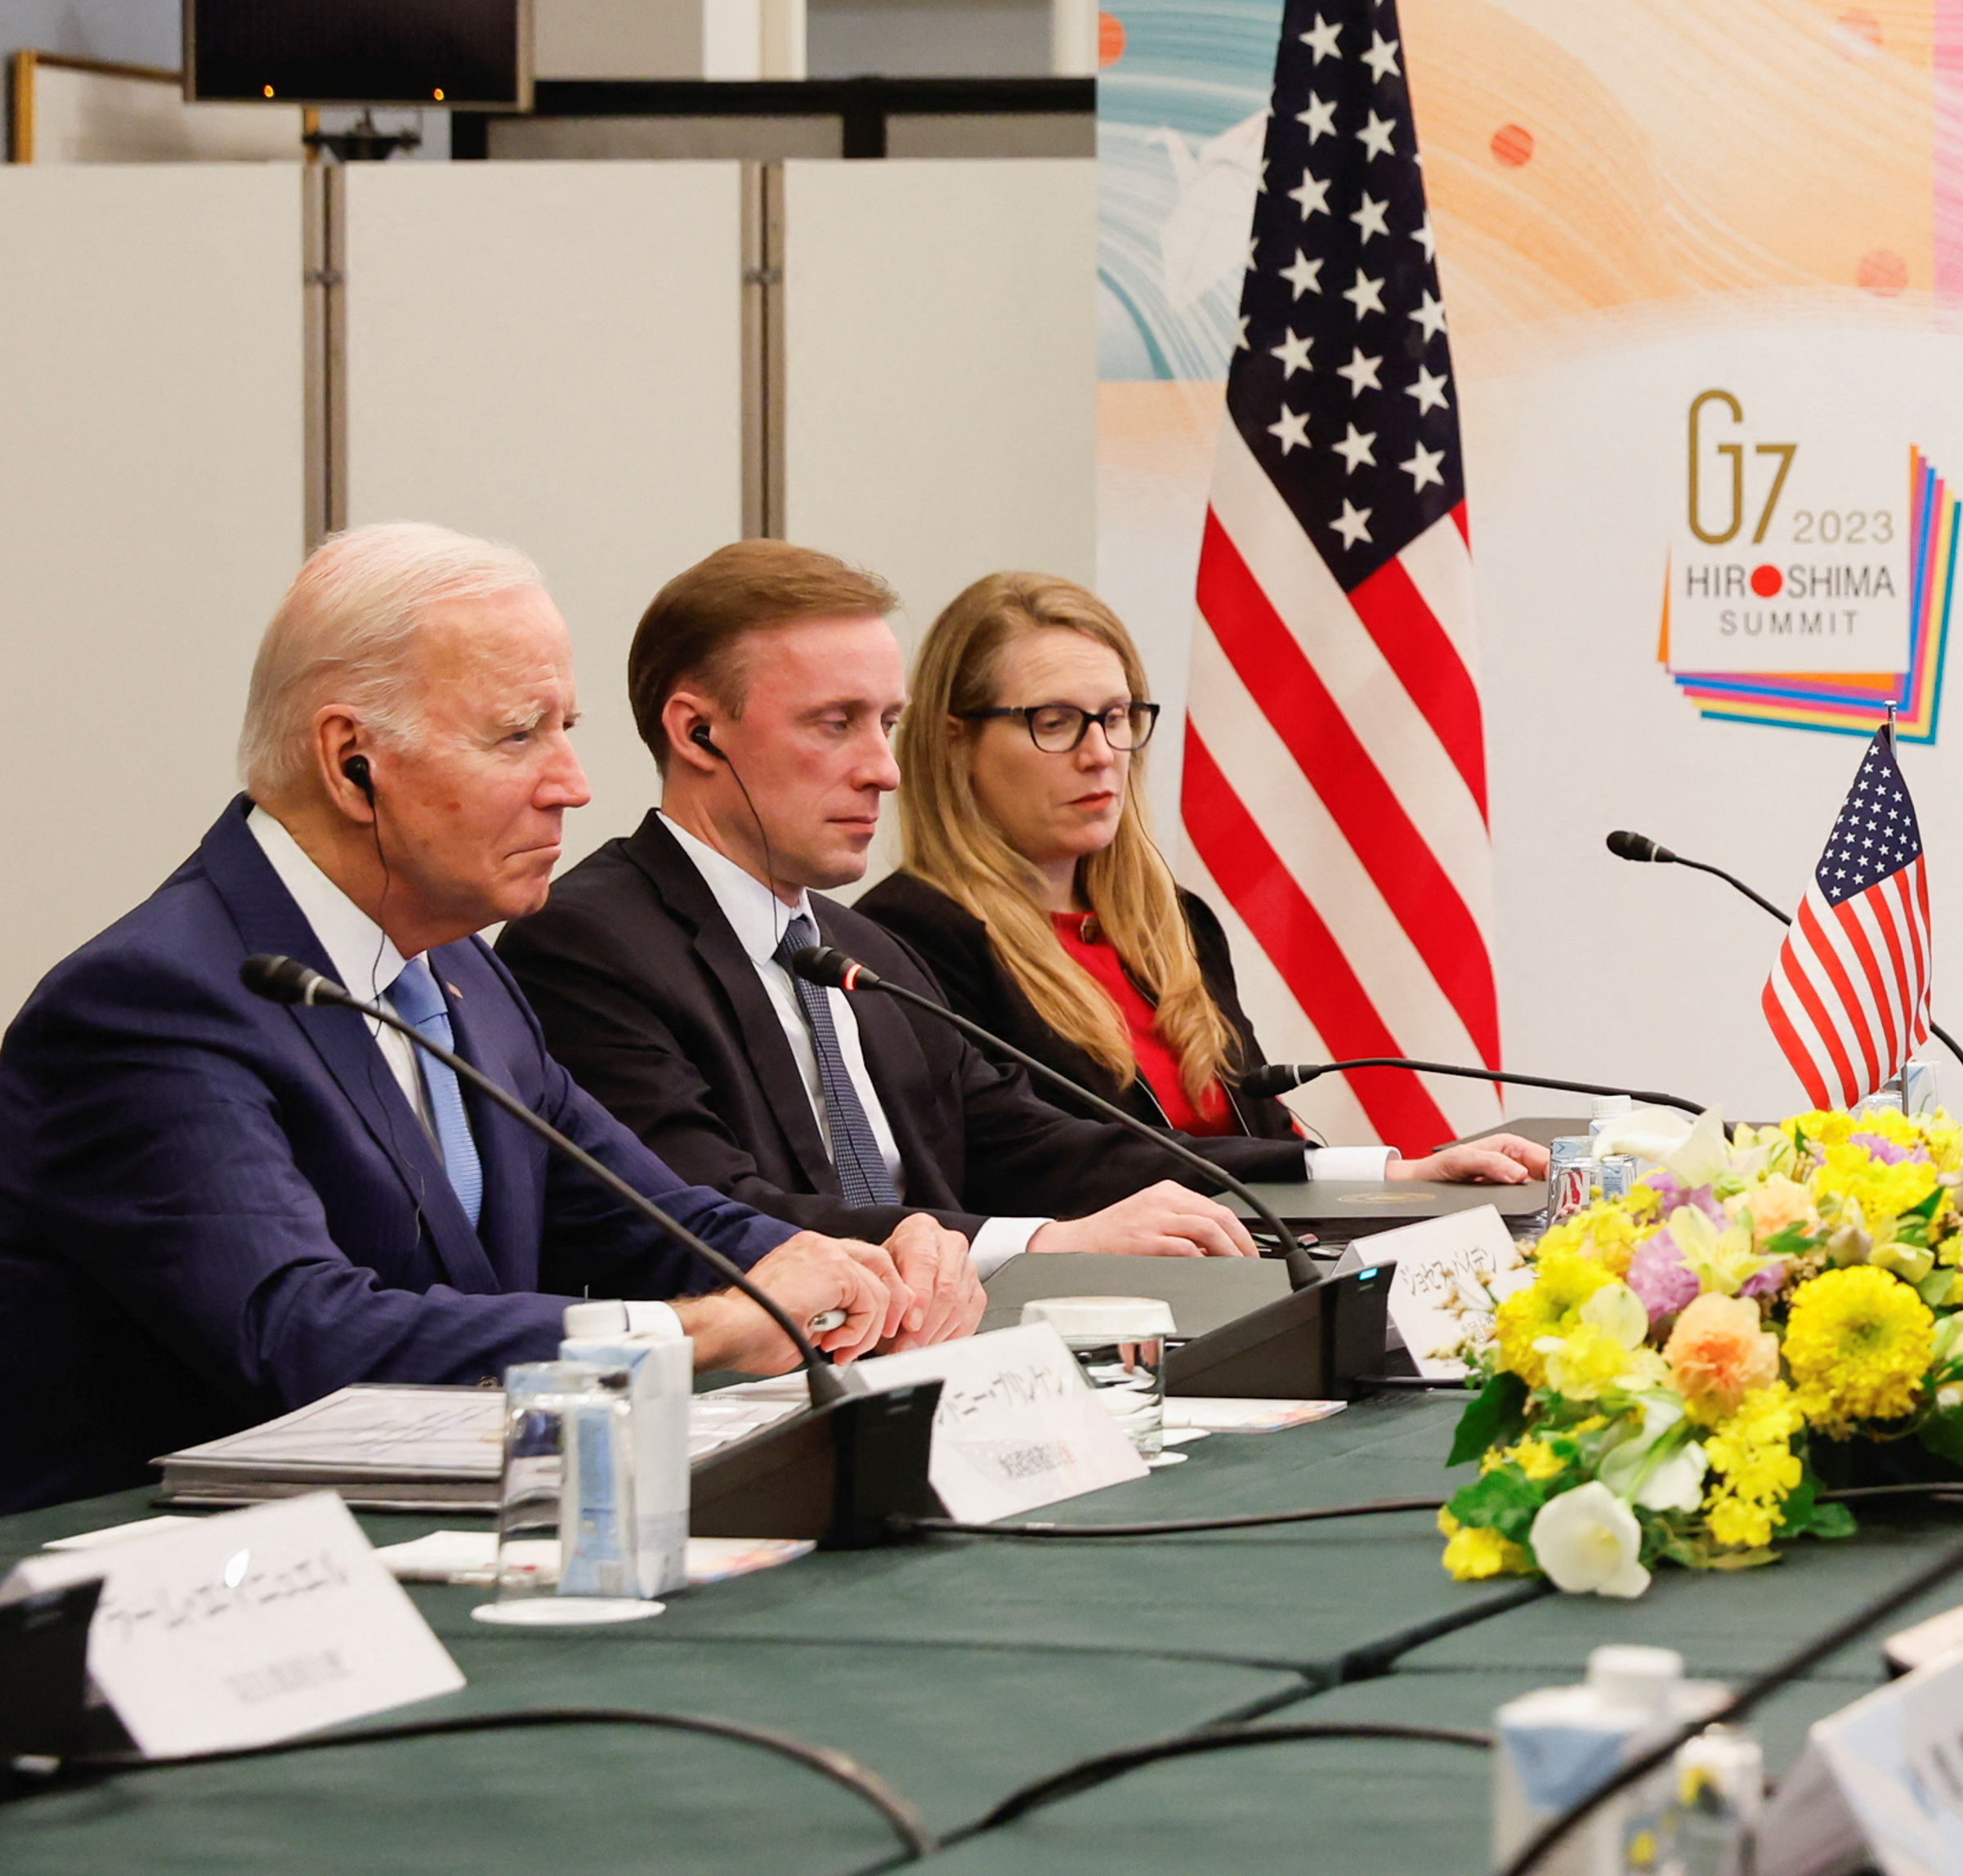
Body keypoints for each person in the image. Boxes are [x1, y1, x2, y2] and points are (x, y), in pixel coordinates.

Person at [0, 526, 919, 1511]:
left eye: (565, 728)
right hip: (175, 1600)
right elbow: (303, 1337)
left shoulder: (459, 974)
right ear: (353, 761)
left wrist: (825, 1262)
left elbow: (641, 1213)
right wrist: (694, 1335)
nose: (573, 783)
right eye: (519, 735)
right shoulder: (152, 1003)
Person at [500, 544, 1271, 1280]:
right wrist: (1045, 1242)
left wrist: (1341, 1176)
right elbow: (710, 1210)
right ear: (698, 732)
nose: (885, 771)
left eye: (888, 725)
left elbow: (1028, 1141)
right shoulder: (585, 944)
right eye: (835, 724)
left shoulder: (865, 949)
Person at [853, 571, 1541, 1190]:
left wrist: (1401, 1181)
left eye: (1117, 717)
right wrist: (1385, 1170)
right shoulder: (910, 938)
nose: (1100, 755)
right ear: (954, 742)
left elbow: (1265, 1132)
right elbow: (1045, 1160)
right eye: (1054, 723)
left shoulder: (1171, 920)